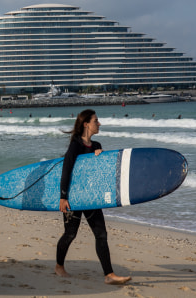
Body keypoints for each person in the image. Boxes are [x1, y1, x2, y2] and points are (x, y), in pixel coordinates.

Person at [55, 109, 131, 285]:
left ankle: (109, 274)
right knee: (70, 234)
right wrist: (63, 197)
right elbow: (66, 171)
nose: (99, 123)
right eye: (96, 121)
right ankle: (59, 266)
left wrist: (100, 158)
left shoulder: (97, 145)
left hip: (91, 197)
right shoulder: (75, 145)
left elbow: (100, 174)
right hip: (74, 197)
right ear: (86, 124)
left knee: (101, 235)